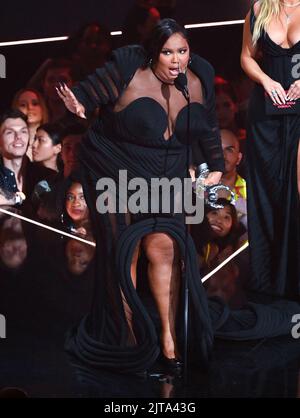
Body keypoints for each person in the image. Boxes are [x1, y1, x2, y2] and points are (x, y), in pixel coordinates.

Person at [57, 18, 300, 376]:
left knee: (165, 247)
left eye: (182, 51)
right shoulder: (129, 68)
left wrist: (215, 166)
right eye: (167, 52)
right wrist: (78, 105)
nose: (176, 60)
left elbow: (206, 126)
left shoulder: (199, 75)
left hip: (166, 171)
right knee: (125, 251)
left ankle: (170, 342)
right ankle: (126, 340)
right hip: (115, 169)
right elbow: (88, 94)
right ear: (153, 53)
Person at [241, 0, 300, 297]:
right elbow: (247, 57)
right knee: (267, 193)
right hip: (266, 114)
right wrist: (265, 79)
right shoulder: (258, 9)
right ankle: (268, 284)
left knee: (297, 192)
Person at [12, 88, 49, 160]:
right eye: (23, 105)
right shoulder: (7, 142)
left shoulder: (55, 141)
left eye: (35, 103)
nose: (30, 107)